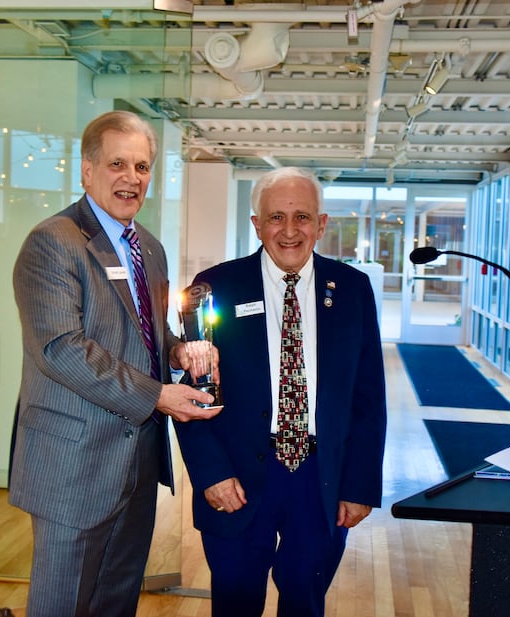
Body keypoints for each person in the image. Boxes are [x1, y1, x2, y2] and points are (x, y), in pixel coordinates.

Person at [9, 110, 221, 617]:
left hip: (138, 462)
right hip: (73, 466)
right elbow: (61, 348)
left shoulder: (149, 248)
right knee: (62, 606)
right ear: (87, 171)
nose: (132, 178)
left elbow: (149, 333)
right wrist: (158, 395)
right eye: (117, 164)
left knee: (117, 602)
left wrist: (178, 351)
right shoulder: (52, 242)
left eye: (142, 167)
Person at [174, 167, 387, 617]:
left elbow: (369, 398)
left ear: (321, 224)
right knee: (234, 602)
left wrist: (360, 484)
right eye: (276, 217)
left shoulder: (352, 289)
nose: (289, 231)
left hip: (319, 478)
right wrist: (211, 474)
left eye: (302, 217)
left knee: (305, 600)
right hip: (236, 477)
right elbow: (191, 392)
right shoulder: (214, 288)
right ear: (257, 224)